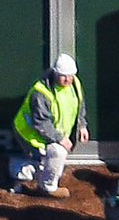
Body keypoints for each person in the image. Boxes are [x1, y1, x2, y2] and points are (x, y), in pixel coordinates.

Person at [9, 53, 89, 199]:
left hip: (50, 133)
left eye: (70, 76)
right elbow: (41, 123)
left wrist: (82, 125)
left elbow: (79, 105)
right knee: (57, 153)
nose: (68, 80)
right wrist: (60, 139)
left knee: (49, 161)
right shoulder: (41, 92)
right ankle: (48, 187)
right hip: (30, 133)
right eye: (63, 76)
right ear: (55, 73)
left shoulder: (75, 84)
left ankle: (12, 168)